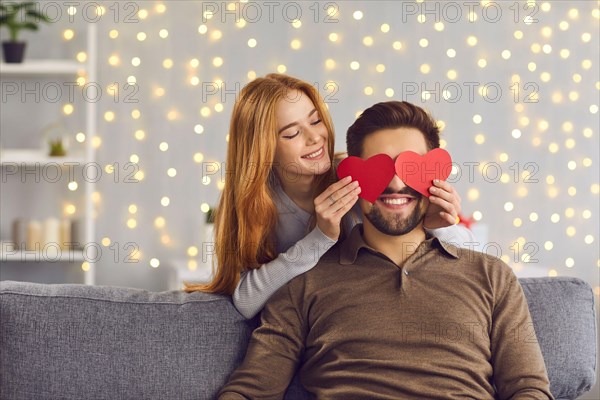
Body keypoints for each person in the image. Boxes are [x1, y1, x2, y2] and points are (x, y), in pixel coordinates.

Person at [216, 100, 554, 400]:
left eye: (410, 167)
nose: (395, 183)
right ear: (350, 177)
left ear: (434, 177)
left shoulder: (491, 276)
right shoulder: (301, 284)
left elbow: (528, 388)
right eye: (380, 167)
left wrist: (446, 227)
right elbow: (250, 390)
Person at [183, 74, 475, 320]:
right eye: (291, 133)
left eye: (315, 121)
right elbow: (246, 301)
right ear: (263, 150)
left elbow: (484, 266)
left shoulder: (360, 177)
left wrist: (439, 226)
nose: (314, 138)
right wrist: (320, 239)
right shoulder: (254, 203)